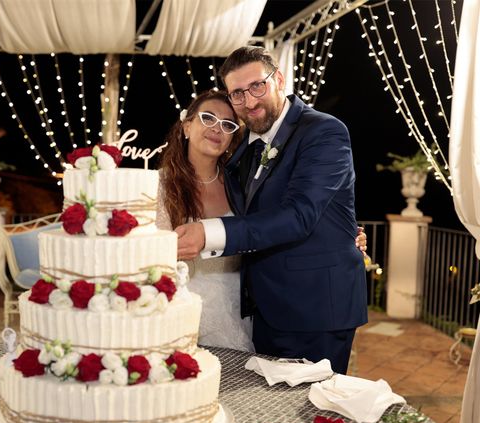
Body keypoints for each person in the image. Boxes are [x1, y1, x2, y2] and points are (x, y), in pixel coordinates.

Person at [175, 47, 368, 374]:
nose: (249, 102)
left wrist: (209, 232)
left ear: (278, 79)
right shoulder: (245, 147)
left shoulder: (324, 131)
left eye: (257, 87)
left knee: (313, 411)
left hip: (315, 309)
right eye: (237, 94)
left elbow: (301, 214)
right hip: (263, 311)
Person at [156, 90, 254, 351]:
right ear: (187, 126)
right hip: (179, 313)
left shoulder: (242, 187)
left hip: (238, 314)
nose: (216, 129)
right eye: (208, 118)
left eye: (227, 125)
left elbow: (270, 228)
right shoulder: (159, 186)